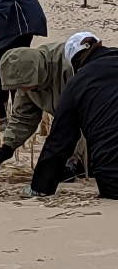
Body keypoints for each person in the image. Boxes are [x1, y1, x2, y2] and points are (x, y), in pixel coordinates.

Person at [26, 34, 118, 199]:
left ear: (75, 63)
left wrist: (40, 188)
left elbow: (59, 141)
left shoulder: (78, 84)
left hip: (113, 180)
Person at [0, 39, 85, 176]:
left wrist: (73, 159)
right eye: (20, 87)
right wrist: (8, 146)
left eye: (26, 85)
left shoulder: (70, 67)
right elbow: (24, 116)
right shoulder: (27, 81)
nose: (24, 91)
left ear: (37, 73)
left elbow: (86, 118)